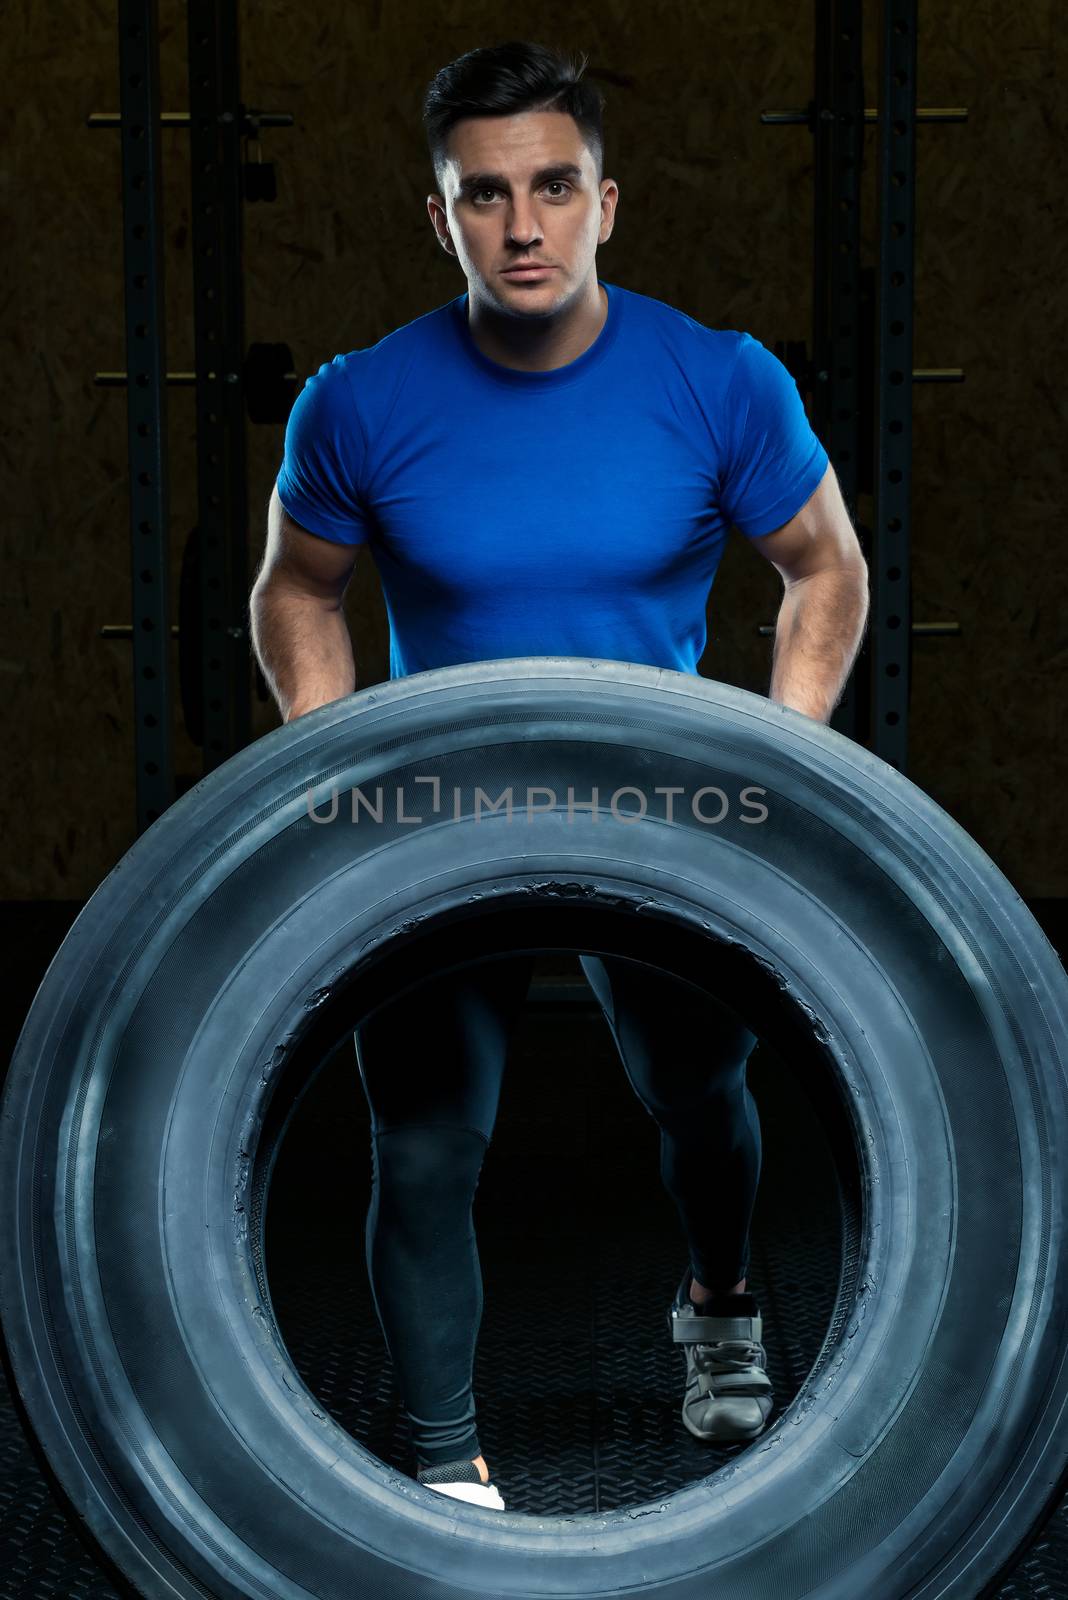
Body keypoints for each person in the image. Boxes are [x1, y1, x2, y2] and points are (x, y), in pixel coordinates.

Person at [249, 39, 869, 1511]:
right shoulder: (356, 402)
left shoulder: (718, 379)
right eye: (484, 196)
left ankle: (721, 1304)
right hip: (438, 814)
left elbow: (824, 567)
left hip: (663, 807)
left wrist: (777, 749)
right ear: (439, 215)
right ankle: (444, 1460)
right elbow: (295, 589)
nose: (521, 227)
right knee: (426, 1140)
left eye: (552, 188)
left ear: (608, 201)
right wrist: (339, 763)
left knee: (699, 1096)